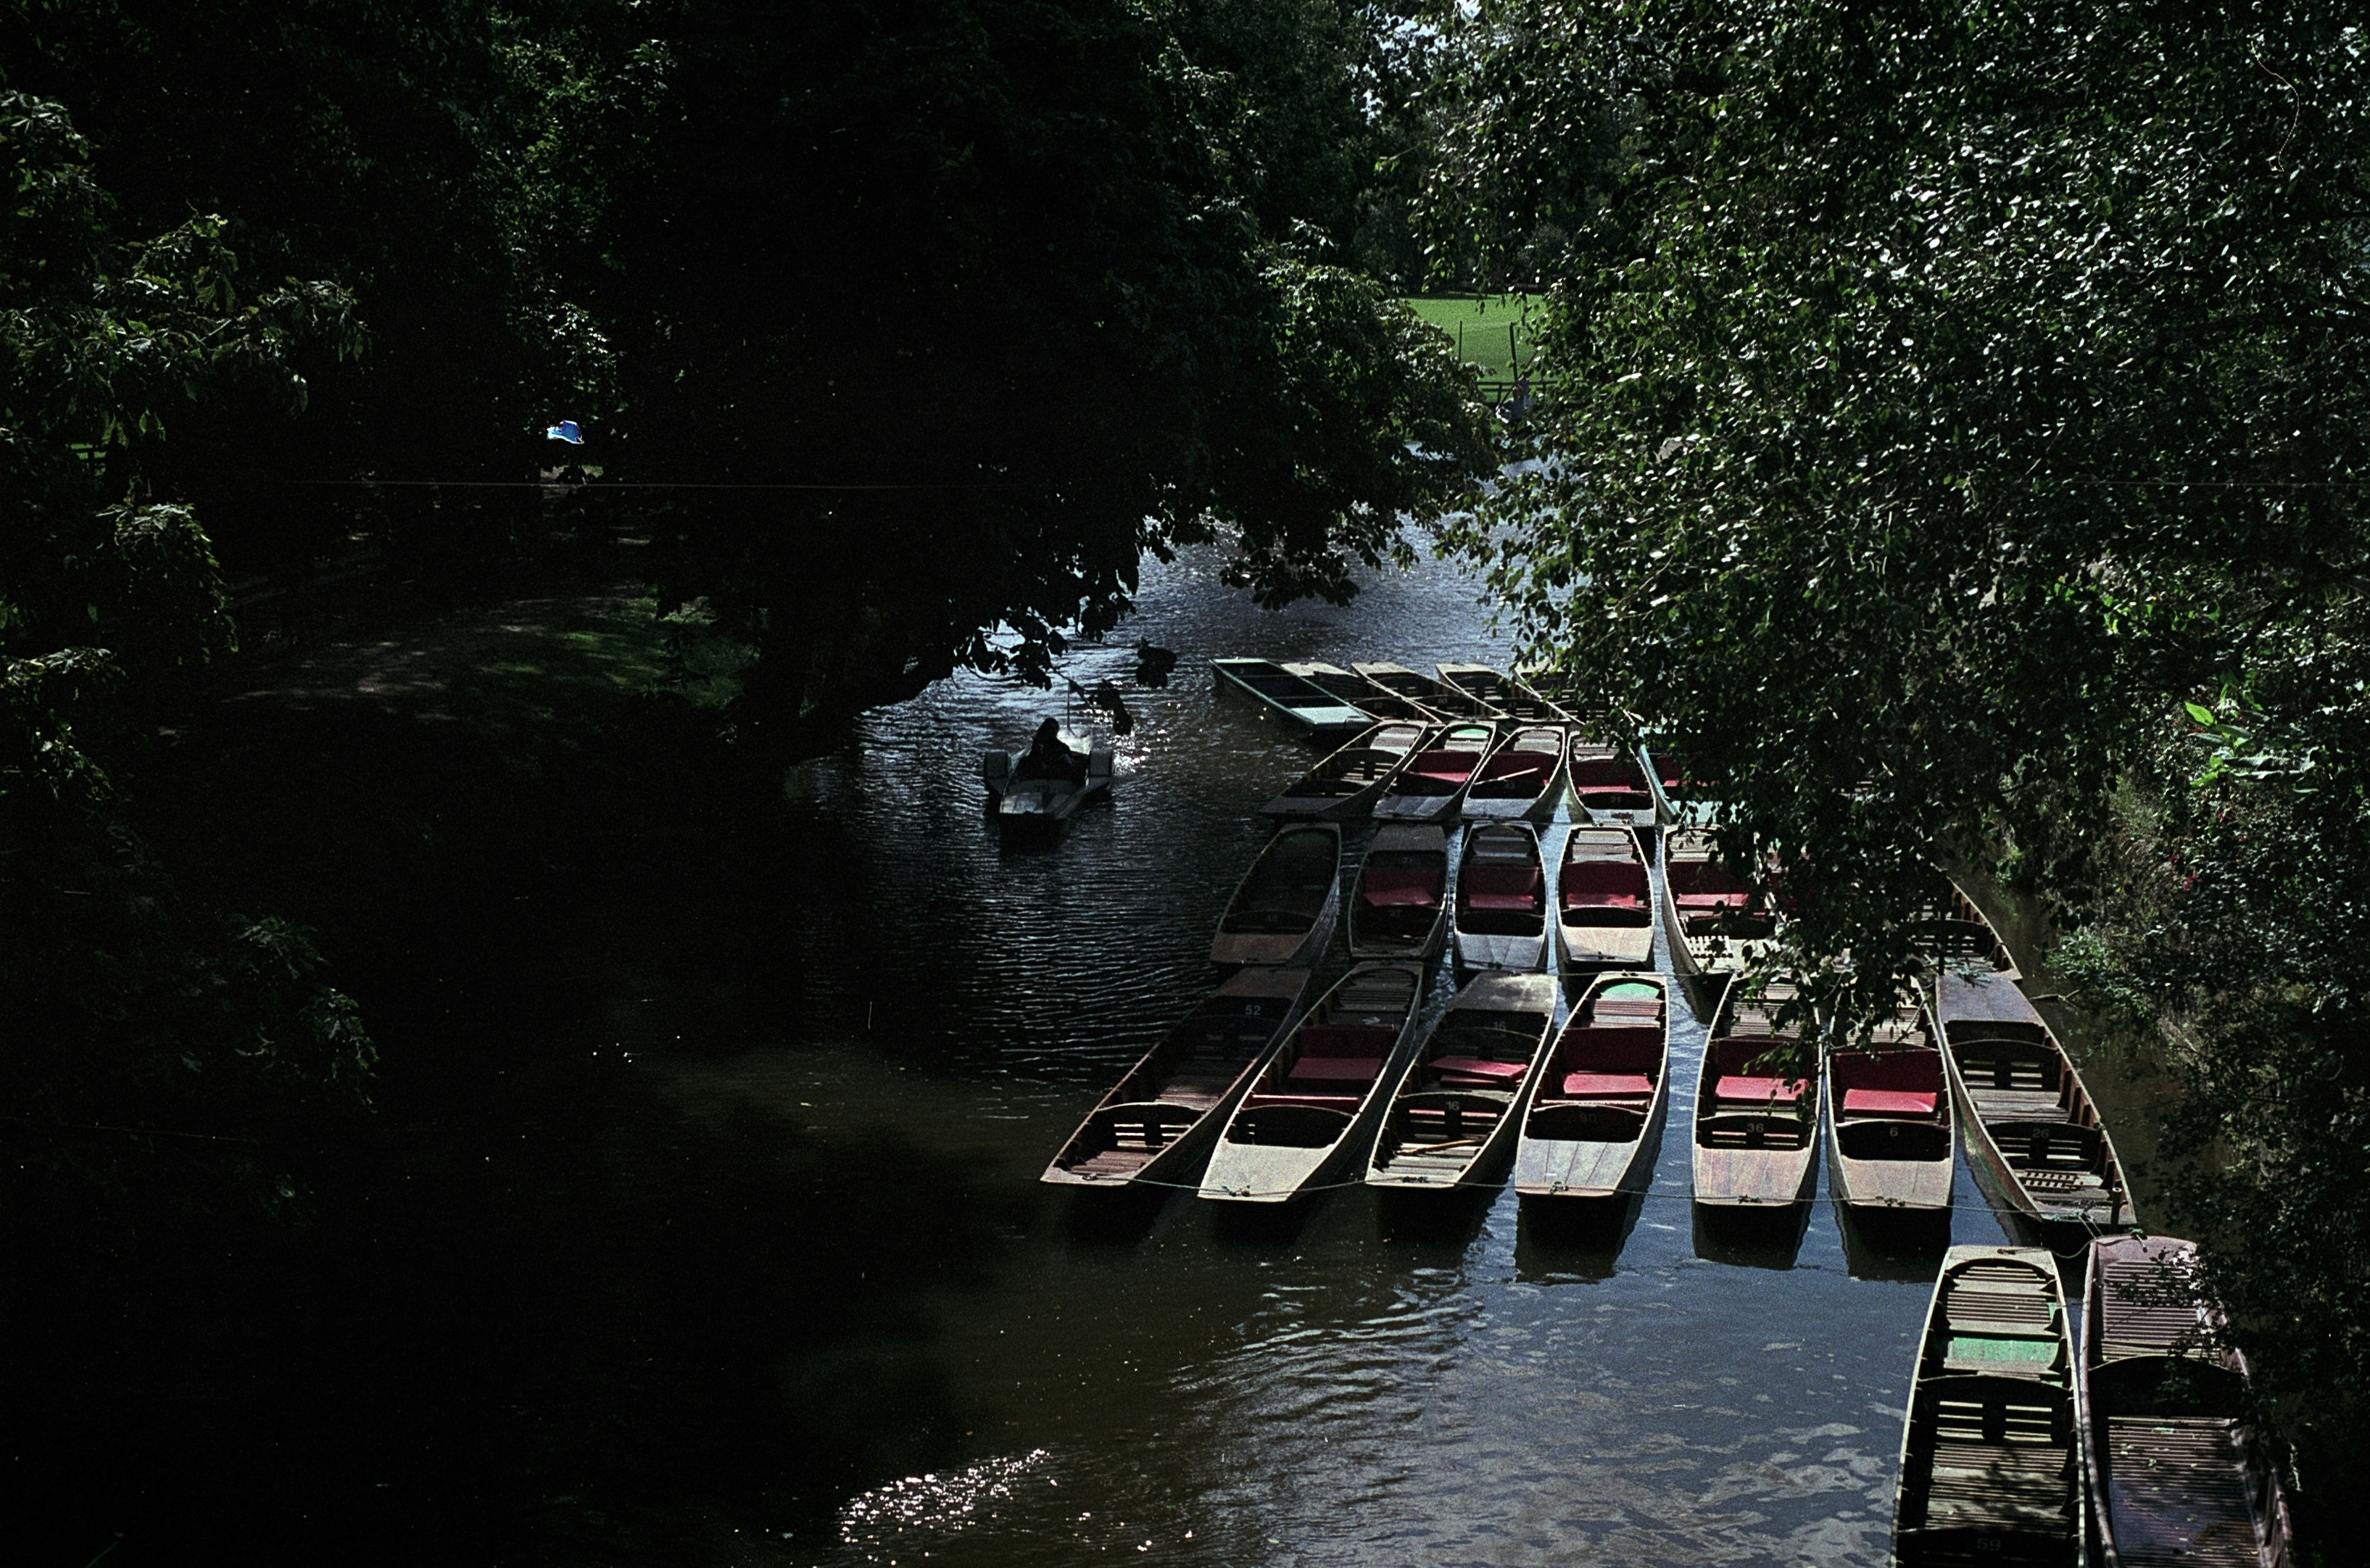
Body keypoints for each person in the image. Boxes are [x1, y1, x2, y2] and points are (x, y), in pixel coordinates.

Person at [1015, 717, 1085, 784]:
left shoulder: (1062, 747)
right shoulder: (1038, 745)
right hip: (1042, 774)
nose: (1051, 732)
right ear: (1044, 730)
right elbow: (1036, 760)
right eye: (1049, 729)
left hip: (1055, 774)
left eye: (1053, 729)